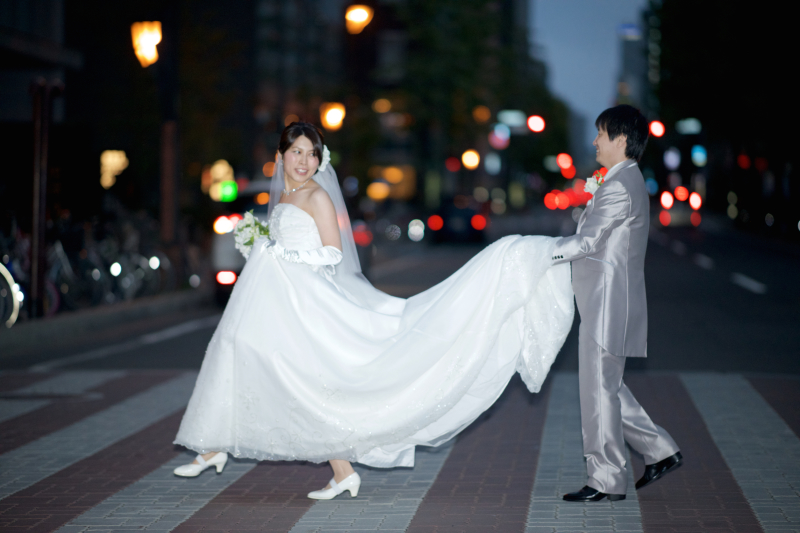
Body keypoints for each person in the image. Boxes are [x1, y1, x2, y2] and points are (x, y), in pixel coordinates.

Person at [173, 122, 574, 500]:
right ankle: (321, 468)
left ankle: (225, 450)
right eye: (296, 152)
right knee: (244, 349)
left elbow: (331, 251)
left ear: (320, 160)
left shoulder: (316, 195)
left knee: (301, 375)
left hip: (307, 300)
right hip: (278, 298)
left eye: (311, 154)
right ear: (281, 156)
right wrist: (263, 243)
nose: (303, 161)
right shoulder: (284, 196)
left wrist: (281, 252)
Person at [553, 105, 682, 503]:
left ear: (622, 140)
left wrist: (532, 253)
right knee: (606, 387)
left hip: (607, 303)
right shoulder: (623, 180)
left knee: (598, 391)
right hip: (607, 299)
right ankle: (660, 451)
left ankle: (606, 478)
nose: (595, 141)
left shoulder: (618, 185)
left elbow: (585, 243)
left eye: (601, 134)